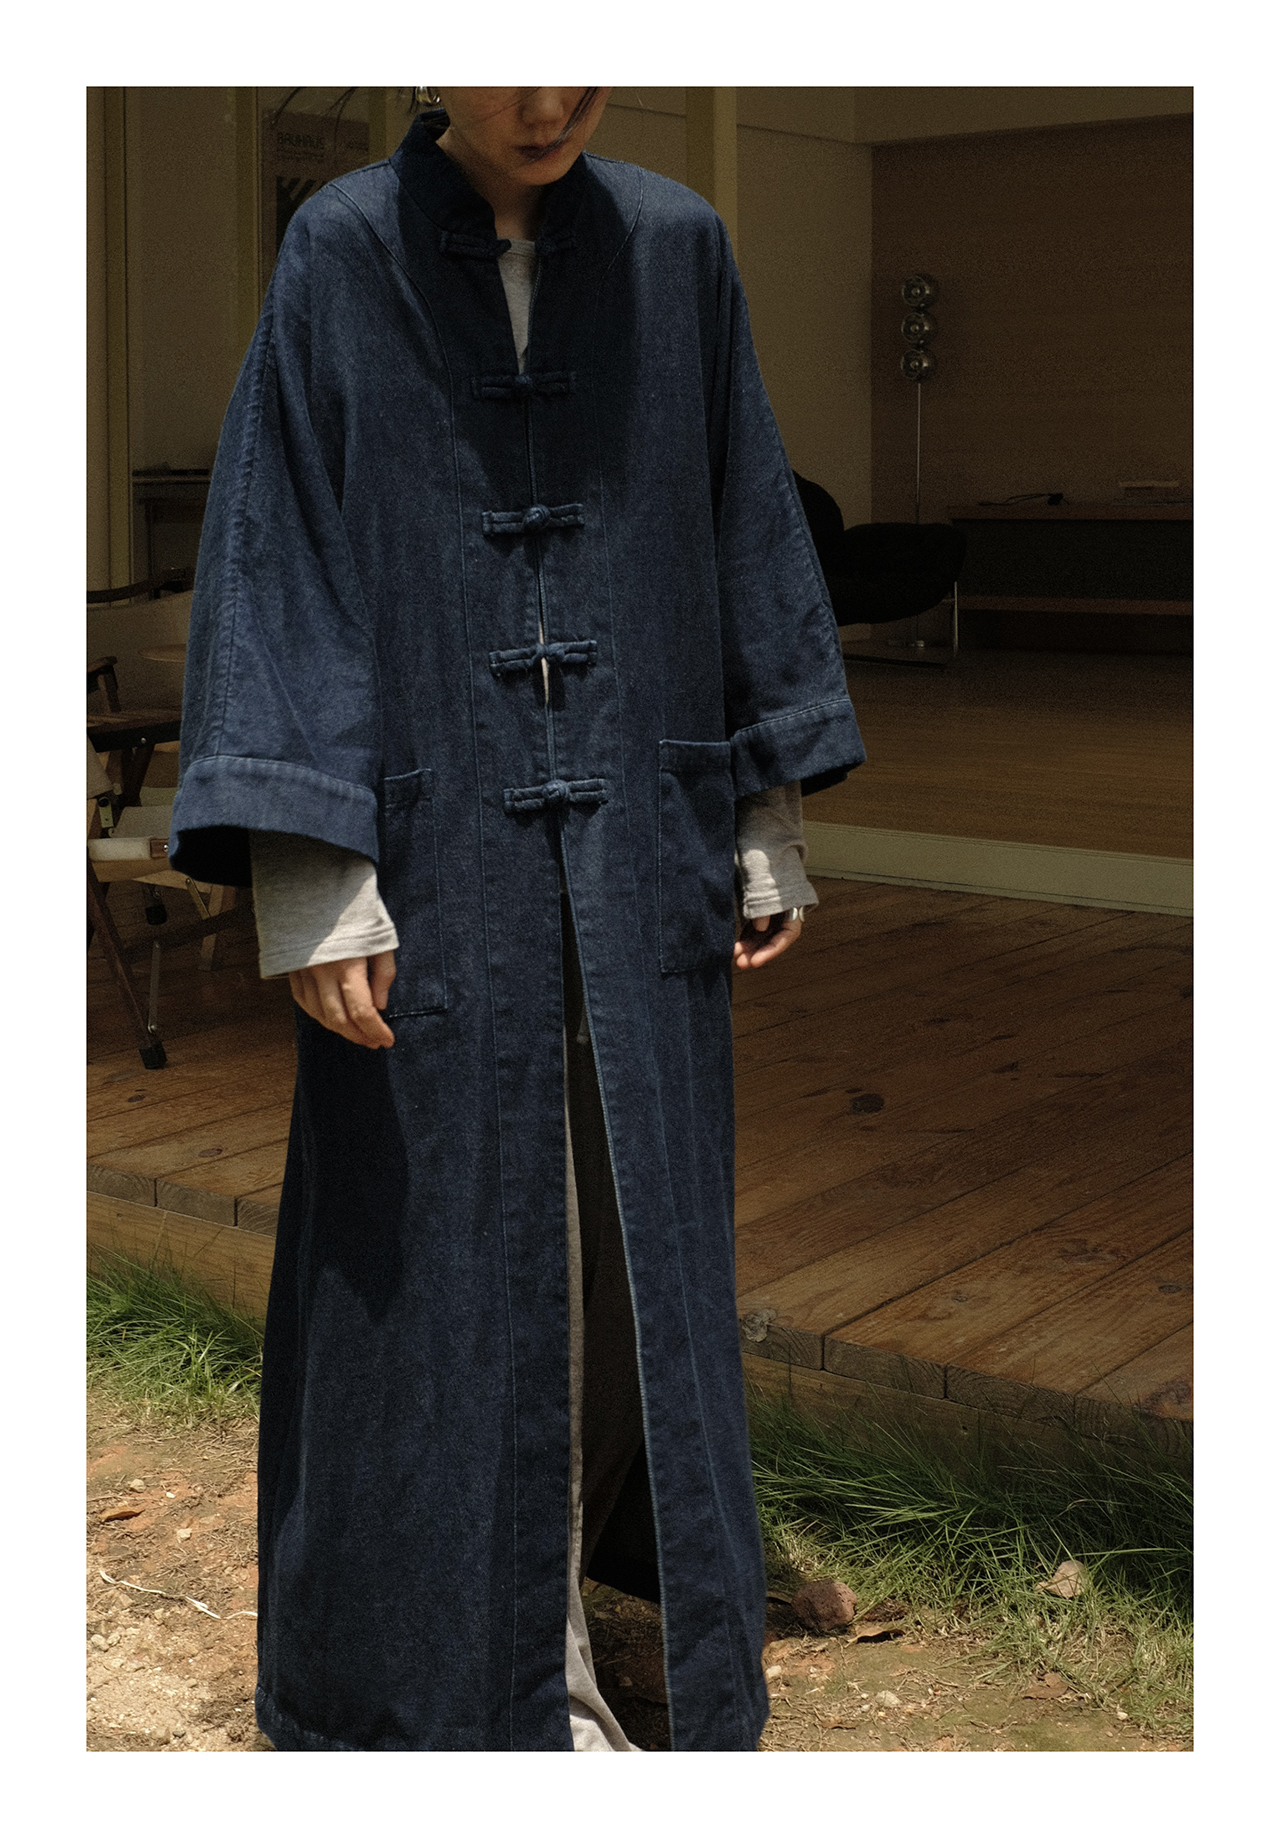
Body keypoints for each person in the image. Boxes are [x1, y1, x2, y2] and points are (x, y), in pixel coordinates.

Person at [170, 87, 865, 1753]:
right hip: (423, 857)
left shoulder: (679, 250)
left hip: (643, 833)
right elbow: (280, 553)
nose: (548, 97)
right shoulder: (340, 253)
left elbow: (740, 515)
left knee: (637, 1252)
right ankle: (462, 1696)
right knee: (424, 1266)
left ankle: (612, 1623)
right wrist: (315, 872)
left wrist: (761, 812)